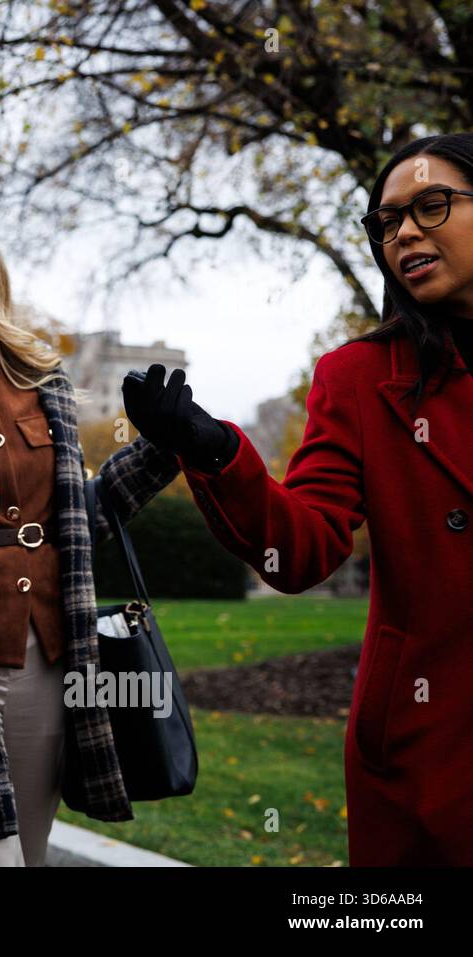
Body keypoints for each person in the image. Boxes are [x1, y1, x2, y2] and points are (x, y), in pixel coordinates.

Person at [122, 133, 473, 866]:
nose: (403, 231)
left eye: (431, 205)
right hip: (426, 751)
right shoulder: (357, 378)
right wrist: (214, 448)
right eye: (386, 221)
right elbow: (303, 543)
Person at [0, 185, 181, 865]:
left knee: (30, 854)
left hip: (43, 652)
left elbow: (78, 522)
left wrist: (162, 447)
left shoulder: (38, 377)